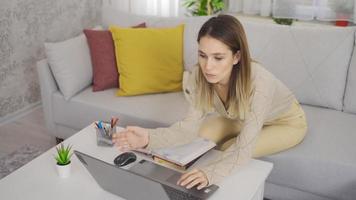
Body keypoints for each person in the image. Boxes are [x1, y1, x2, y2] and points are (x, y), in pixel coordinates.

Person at [112, 14, 307, 190]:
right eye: (202, 55)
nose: (208, 66)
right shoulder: (199, 75)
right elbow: (187, 129)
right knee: (199, 140)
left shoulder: (259, 82)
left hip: (285, 122)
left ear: (236, 56)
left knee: (230, 149)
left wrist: (210, 173)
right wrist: (147, 138)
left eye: (218, 58)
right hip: (240, 117)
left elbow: (243, 150)